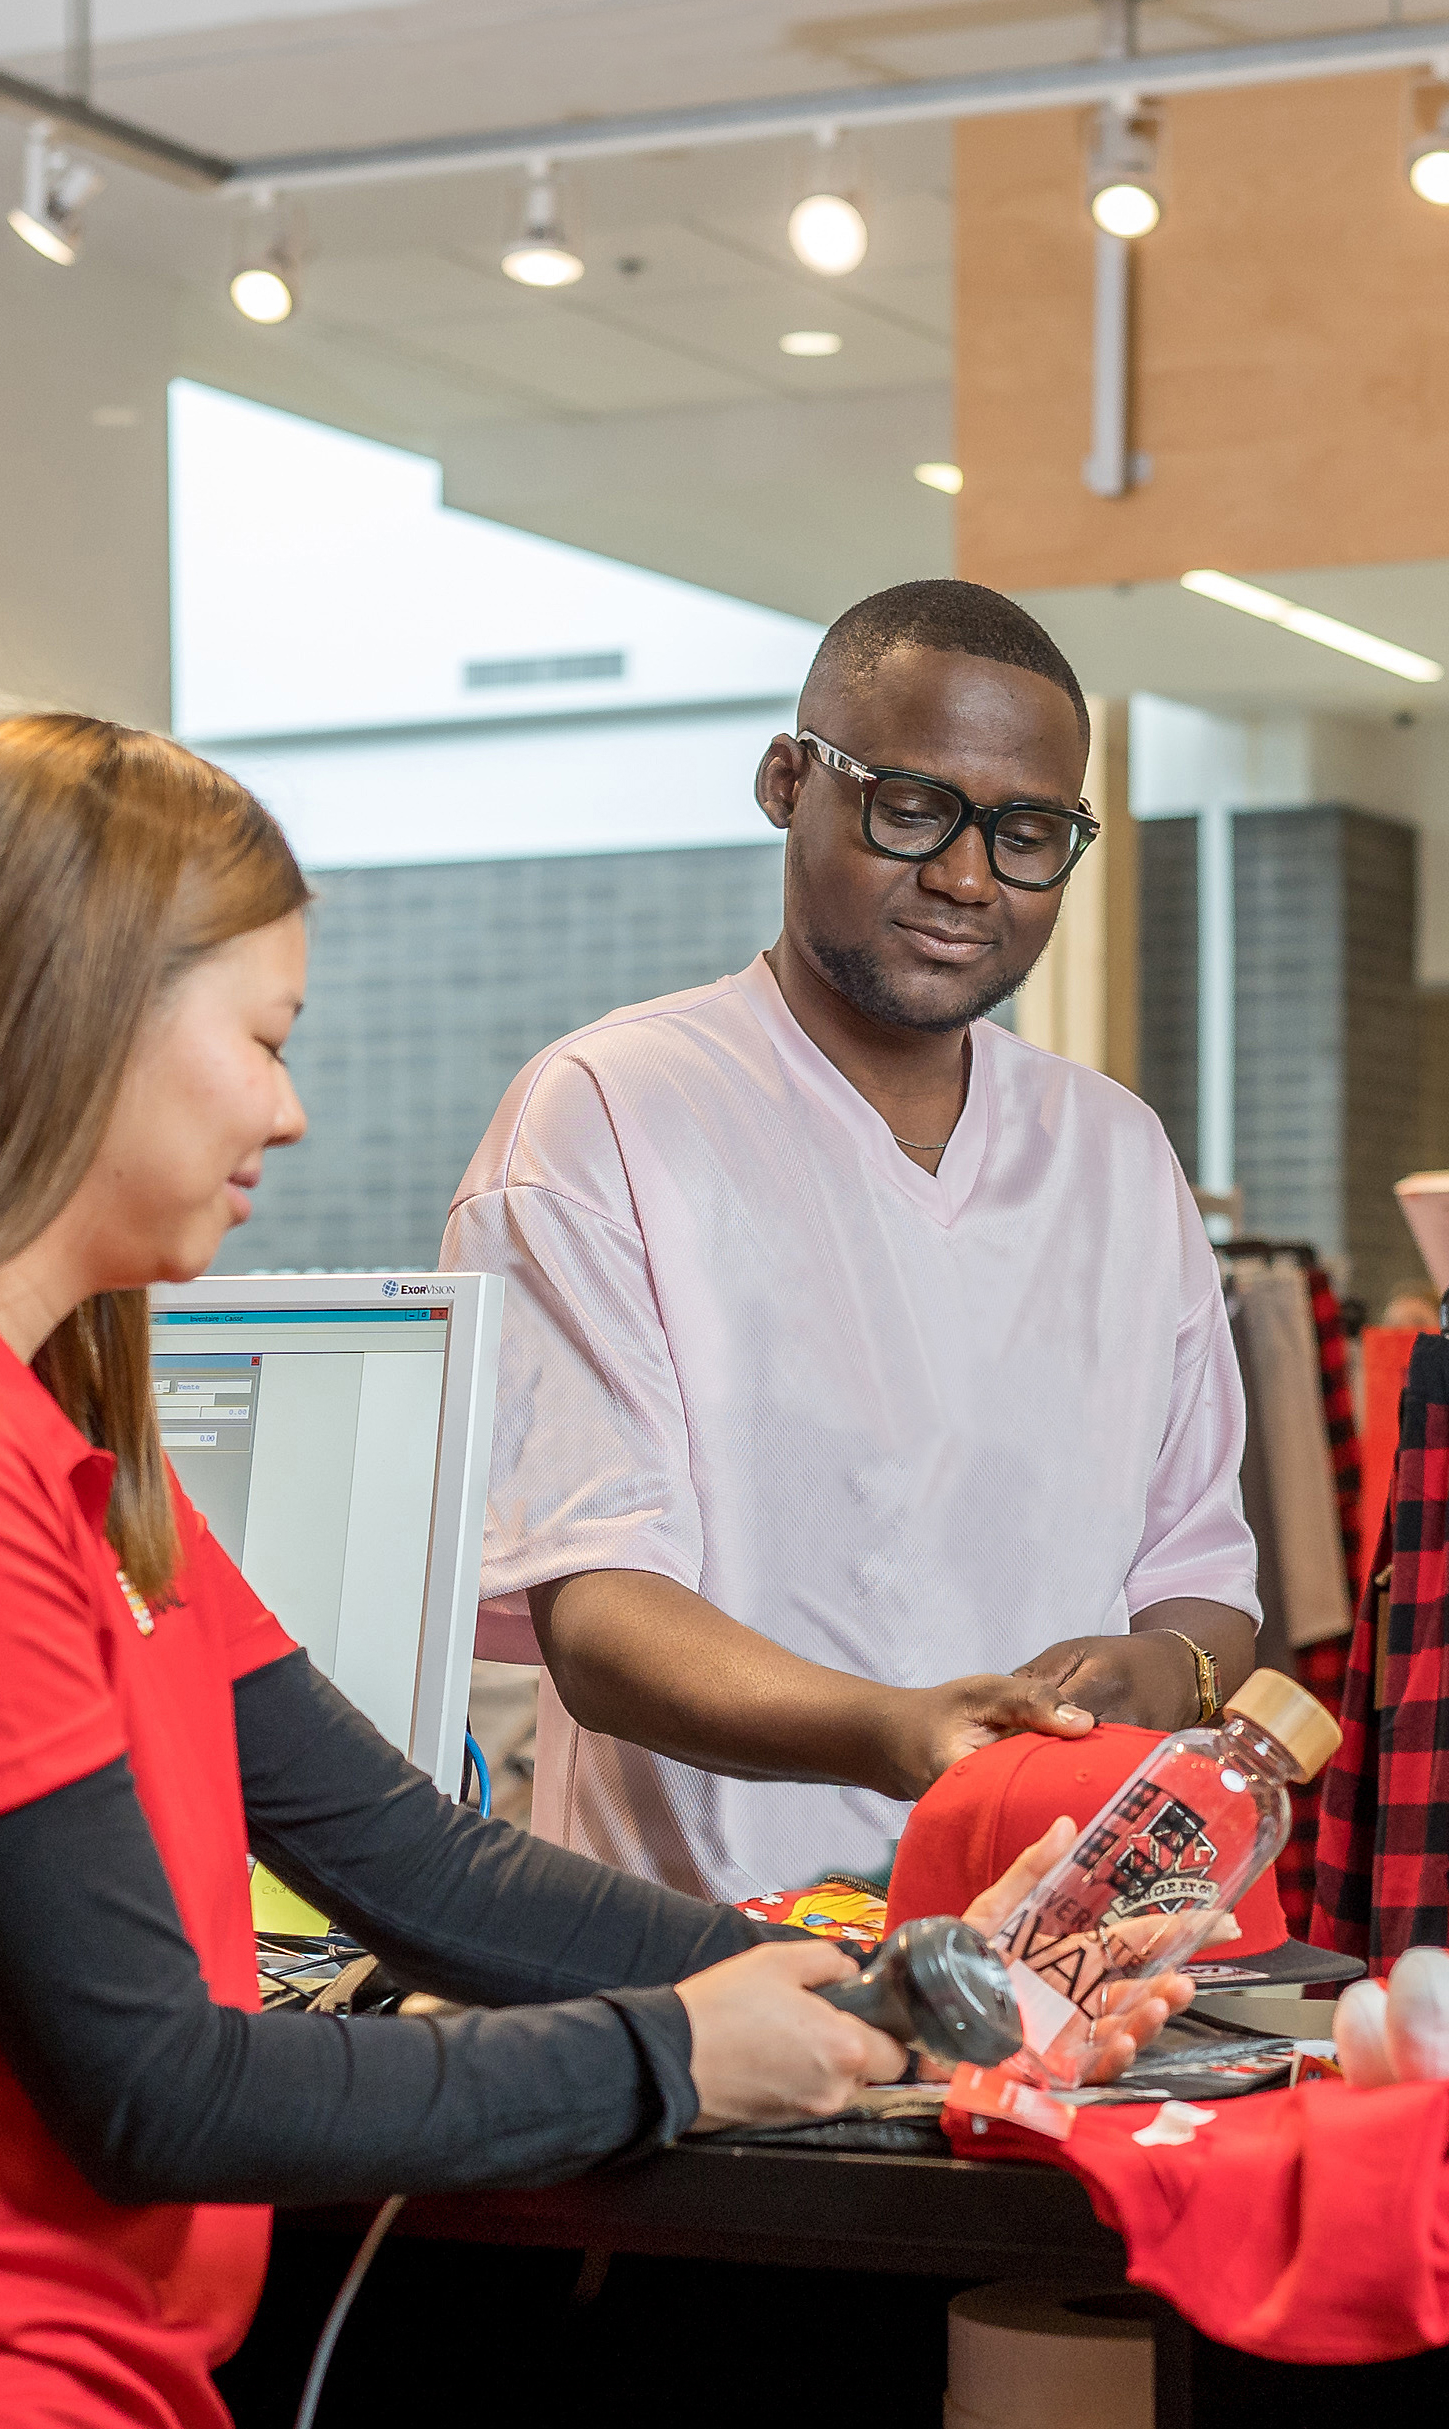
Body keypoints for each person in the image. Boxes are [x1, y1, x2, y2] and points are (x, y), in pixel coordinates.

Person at [0, 715, 1177, 2429]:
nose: (288, 1103)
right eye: (255, 1037)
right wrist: (672, 2056)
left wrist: (882, 1999)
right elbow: (156, 2080)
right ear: (68, 1025)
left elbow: (416, 1864)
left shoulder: (64, 1450)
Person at [442, 578, 1261, 1907]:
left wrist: (1170, 1672)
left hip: (1061, 1951)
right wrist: (898, 1731)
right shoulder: (608, 1112)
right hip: (706, 1973)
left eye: (1029, 831)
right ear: (785, 780)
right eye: (913, 805)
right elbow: (596, 1619)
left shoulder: (1115, 1153)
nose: (965, 875)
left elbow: (1201, 1574)